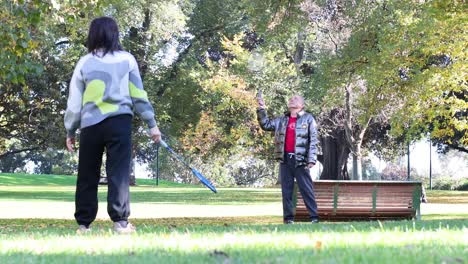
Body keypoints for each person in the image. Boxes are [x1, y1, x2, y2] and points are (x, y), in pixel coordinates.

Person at [64, 17, 161, 234]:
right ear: (115, 34)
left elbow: (74, 101)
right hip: (119, 122)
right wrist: (151, 124)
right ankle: (120, 223)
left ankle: (83, 225)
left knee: (87, 173)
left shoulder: (84, 62)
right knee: (118, 173)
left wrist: (70, 129)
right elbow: (139, 95)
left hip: (90, 125)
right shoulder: (127, 60)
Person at [257, 95, 319, 224]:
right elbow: (266, 125)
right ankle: (288, 219)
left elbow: (313, 140)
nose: (292, 100)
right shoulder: (282, 120)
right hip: (285, 159)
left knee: (306, 189)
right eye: (290, 99)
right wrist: (261, 109)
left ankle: (314, 217)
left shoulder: (308, 119)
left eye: (295, 99)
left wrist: (312, 159)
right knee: (286, 191)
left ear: (302, 104)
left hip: (301, 160)